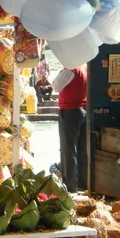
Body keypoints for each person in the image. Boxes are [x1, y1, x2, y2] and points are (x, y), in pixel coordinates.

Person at [52, 65, 87, 193]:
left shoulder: (70, 69)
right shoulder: (85, 68)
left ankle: (70, 186)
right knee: (82, 150)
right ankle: (83, 184)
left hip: (70, 111)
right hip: (83, 110)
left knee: (68, 150)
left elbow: (56, 87)